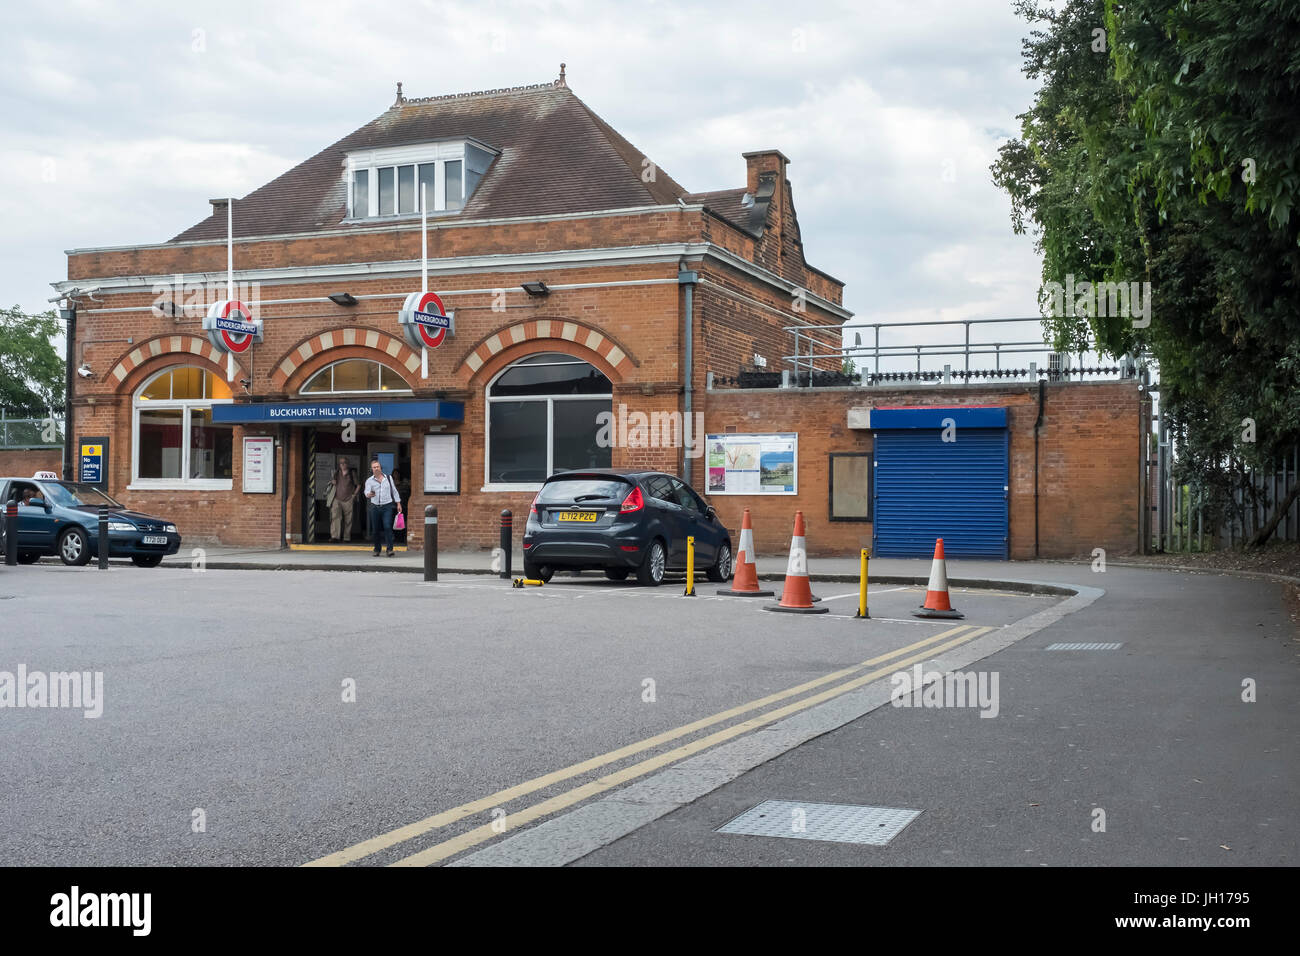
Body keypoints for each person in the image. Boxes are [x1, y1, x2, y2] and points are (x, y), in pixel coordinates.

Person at [363, 457, 402, 557]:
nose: (376, 468)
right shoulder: (369, 481)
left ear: (380, 468)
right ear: (372, 469)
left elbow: (394, 491)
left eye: (377, 467)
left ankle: (389, 549)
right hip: (375, 507)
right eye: (374, 467)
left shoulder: (388, 478)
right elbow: (366, 492)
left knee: (387, 527)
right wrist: (369, 494)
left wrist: (398, 503)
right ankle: (377, 549)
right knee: (376, 529)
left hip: (387, 506)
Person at [328, 457, 358, 542]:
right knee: (335, 518)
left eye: (344, 463)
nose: (343, 464)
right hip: (337, 498)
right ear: (339, 465)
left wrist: (354, 495)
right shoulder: (337, 473)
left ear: (347, 464)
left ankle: (346, 537)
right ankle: (335, 537)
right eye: (341, 463)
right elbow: (333, 483)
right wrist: (333, 482)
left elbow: (358, 485)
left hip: (348, 499)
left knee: (348, 519)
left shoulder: (352, 473)